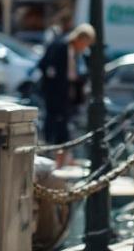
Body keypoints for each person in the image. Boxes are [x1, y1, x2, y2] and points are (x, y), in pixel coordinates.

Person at [38, 23, 95, 166]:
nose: (85, 47)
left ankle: (61, 159)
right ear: (79, 38)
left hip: (69, 94)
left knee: (65, 126)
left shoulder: (78, 54)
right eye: (85, 43)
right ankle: (52, 158)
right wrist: (52, 81)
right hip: (55, 94)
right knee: (54, 125)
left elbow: (78, 73)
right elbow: (44, 65)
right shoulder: (60, 46)